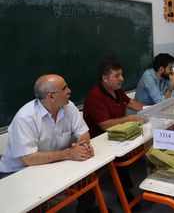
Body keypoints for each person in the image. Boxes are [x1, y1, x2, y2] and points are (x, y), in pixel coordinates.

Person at [0, 74, 97, 211]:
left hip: (50, 162)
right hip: (18, 172)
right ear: (51, 96)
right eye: (64, 88)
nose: (69, 91)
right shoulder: (26, 117)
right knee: (37, 204)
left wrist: (83, 145)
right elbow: (28, 159)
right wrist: (68, 153)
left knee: (86, 172)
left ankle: (88, 209)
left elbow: (83, 133)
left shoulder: (69, 107)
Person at [83, 61, 145, 206]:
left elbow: (132, 104)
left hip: (117, 135)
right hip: (101, 141)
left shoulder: (117, 90)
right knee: (121, 156)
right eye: (117, 76)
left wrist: (151, 110)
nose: (122, 79)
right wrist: (130, 118)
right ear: (105, 78)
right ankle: (124, 195)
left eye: (121, 75)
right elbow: (104, 125)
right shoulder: (95, 96)